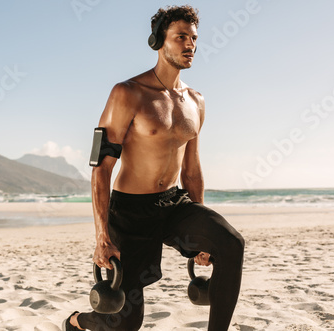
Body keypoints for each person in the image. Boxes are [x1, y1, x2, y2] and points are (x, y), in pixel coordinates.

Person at [63, 5, 245, 331]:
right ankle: (79, 322)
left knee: (230, 243)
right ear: (159, 41)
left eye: (193, 38)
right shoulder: (127, 93)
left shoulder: (196, 101)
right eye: (180, 38)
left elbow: (191, 170)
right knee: (125, 320)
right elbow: (101, 168)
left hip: (174, 204)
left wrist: (202, 233)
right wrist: (102, 235)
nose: (190, 45)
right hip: (130, 212)